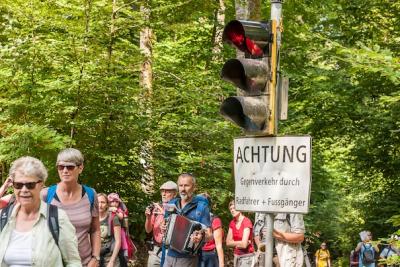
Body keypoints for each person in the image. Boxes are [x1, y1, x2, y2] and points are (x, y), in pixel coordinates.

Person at [0, 156, 81, 266]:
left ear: (41, 184)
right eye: (18, 185)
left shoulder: (57, 218)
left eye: (30, 185)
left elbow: (73, 262)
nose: (24, 190)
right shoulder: (3, 217)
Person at [41, 148, 101, 267]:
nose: (65, 171)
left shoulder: (90, 194)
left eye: (70, 167)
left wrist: (95, 257)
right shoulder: (45, 195)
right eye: (61, 167)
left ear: (80, 168)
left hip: (85, 262)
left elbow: (95, 229)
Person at [162, 173, 212, 267]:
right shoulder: (172, 204)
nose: (183, 189)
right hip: (169, 255)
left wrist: (201, 236)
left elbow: (209, 236)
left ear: (193, 187)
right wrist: (163, 227)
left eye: (186, 185)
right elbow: (164, 223)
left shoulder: (201, 206)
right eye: (180, 185)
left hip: (188, 259)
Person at [145, 181, 178, 267]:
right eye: (162, 191)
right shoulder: (156, 209)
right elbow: (148, 230)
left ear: (175, 193)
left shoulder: (179, 208)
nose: (164, 194)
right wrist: (148, 218)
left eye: (167, 191)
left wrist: (164, 213)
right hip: (156, 249)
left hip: (171, 251)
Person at [198, 193, 224, 267]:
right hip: (195, 254)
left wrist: (221, 264)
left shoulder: (214, 219)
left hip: (209, 256)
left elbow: (219, 245)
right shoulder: (195, 217)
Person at [226, 200, 254, 266]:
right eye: (230, 209)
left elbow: (244, 245)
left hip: (247, 256)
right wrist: (241, 243)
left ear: (240, 208)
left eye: (234, 208)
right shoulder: (232, 223)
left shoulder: (246, 221)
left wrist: (234, 243)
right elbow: (227, 243)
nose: (232, 210)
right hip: (236, 255)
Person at [98, 193, 121, 267]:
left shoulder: (113, 217)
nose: (100, 205)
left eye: (103, 202)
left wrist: (112, 261)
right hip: (95, 257)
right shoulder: (92, 218)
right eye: (97, 202)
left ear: (107, 204)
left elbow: (118, 241)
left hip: (109, 257)